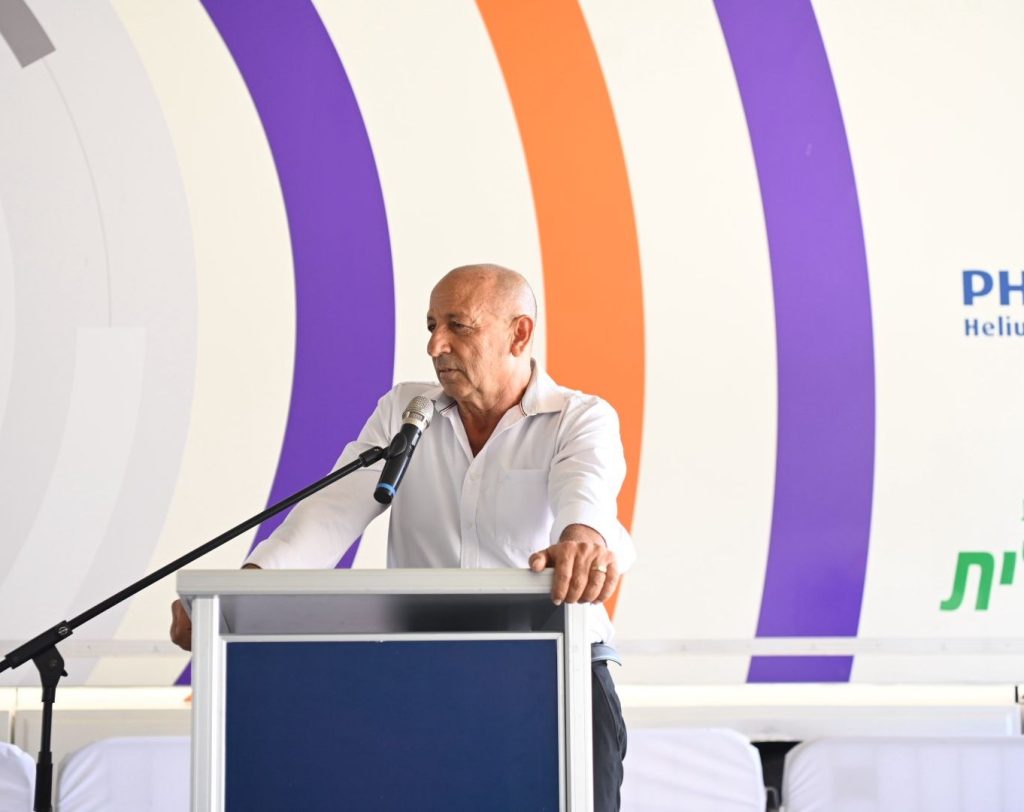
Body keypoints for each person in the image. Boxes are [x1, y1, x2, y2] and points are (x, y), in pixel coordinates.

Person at [171, 263, 635, 810]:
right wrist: (237, 596)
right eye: (432, 326)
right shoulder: (406, 412)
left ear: (519, 333)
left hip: (558, 674)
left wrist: (581, 540)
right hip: (425, 675)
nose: (436, 345)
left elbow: (586, 498)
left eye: (458, 326)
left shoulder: (578, 418)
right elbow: (331, 513)